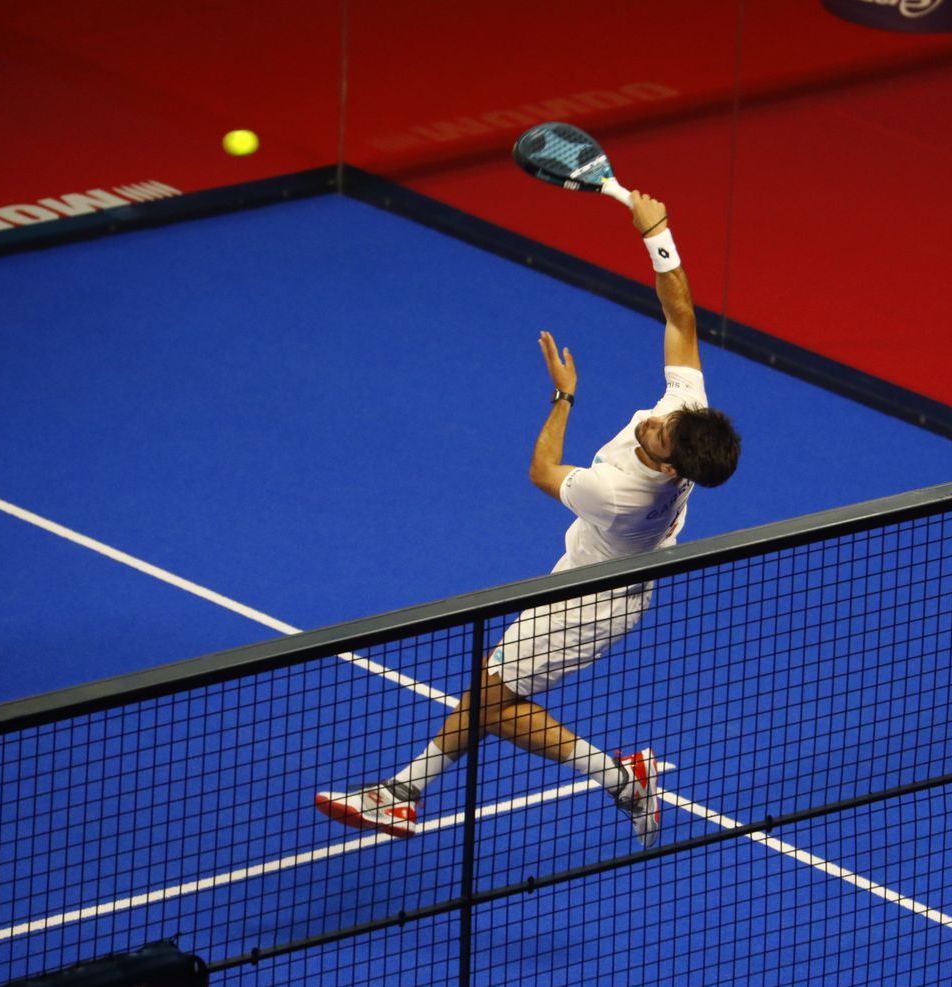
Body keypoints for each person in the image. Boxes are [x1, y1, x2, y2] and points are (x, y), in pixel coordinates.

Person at [315, 190, 740, 849]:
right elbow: (681, 315)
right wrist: (659, 232)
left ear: (666, 467)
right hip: (585, 575)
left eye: (659, 437)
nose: (656, 423)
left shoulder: (625, 493)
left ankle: (403, 793)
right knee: (494, 698)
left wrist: (563, 396)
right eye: (667, 420)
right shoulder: (687, 413)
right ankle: (618, 776)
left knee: (488, 698)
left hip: (590, 602)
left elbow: (543, 472)